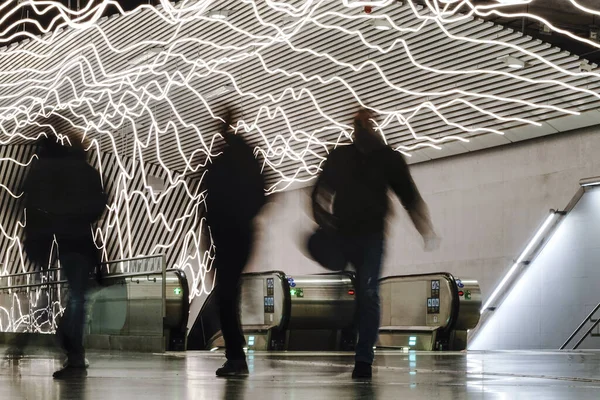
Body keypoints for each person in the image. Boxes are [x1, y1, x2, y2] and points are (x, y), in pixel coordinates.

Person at [309, 108, 440, 379]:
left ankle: (363, 358)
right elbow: (318, 193)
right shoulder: (341, 156)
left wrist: (424, 228)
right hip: (347, 234)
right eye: (360, 123)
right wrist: (325, 222)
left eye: (365, 123)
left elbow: (408, 196)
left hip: (369, 237)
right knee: (364, 291)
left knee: (368, 292)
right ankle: (353, 333)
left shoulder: (386, 158)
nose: (363, 128)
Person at [22, 115, 106, 379]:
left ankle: (69, 342)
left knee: (78, 295)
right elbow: (98, 205)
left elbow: (46, 203)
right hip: (81, 242)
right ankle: (72, 347)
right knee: (79, 296)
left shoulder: (62, 173)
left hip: (66, 242)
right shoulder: (87, 172)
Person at [204, 108, 266, 377]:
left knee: (225, 295)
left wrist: (216, 229)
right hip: (239, 234)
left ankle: (236, 358)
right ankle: (236, 354)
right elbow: (261, 193)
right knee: (228, 294)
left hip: (229, 235)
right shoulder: (245, 156)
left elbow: (210, 203)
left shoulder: (225, 160)